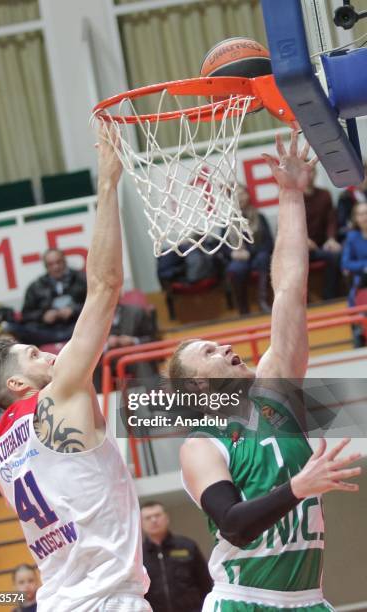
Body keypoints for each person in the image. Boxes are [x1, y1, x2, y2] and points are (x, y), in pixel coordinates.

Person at [169, 131, 362, 611]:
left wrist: (291, 194)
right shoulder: (202, 444)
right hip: (243, 600)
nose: (227, 346)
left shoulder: (276, 389)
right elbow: (233, 523)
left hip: (309, 601)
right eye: (210, 351)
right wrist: (298, 487)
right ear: (197, 384)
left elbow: (291, 288)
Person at [0, 125, 151, 612]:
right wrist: (108, 184)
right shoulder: (59, 395)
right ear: (18, 385)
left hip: (59, 600)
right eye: (34, 355)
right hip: (107, 601)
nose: (51, 354)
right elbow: (104, 286)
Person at [141, 500, 212, 612]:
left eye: (157, 515)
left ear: (166, 518)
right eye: (148, 517)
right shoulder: (139, 555)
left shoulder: (187, 546)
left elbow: (205, 582)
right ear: (141, 523)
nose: (154, 520)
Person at [9, 249, 87, 346]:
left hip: (77, 327)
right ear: (46, 266)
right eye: (51, 264)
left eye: (59, 262)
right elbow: (26, 315)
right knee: (12, 328)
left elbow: (95, 304)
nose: (56, 267)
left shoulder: (82, 279)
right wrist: (43, 316)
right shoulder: (35, 287)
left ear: (65, 261)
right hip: (47, 331)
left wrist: (74, 310)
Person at [224, 185, 273, 314]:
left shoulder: (259, 217)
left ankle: (264, 302)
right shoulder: (228, 222)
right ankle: (243, 309)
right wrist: (232, 253)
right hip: (239, 258)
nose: (239, 198)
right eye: (235, 195)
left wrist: (249, 253)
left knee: (264, 258)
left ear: (248, 195)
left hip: (257, 256)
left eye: (242, 193)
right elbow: (223, 247)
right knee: (235, 269)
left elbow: (269, 243)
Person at [304, 166, 342, 300]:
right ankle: (304, 299)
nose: (308, 175)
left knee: (336, 255)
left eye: (311, 171)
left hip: (321, 244)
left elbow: (331, 220)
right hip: (301, 248)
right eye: (304, 172)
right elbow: (287, 225)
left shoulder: (324, 194)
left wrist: (331, 238)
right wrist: (304, 240)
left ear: (315, 173)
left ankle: (330, 297)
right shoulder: (293, 197)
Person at [341, 201, 367, 347]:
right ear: (356, 218)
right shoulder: (352, 238)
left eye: (366, 213)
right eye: (361, 214)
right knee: (352, 297)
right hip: (362, 281)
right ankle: (358, 332)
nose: (365, 217)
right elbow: (345, 263)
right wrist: (364, 266)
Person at [337, 162, 367, 242]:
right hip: (353, 234)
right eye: (364, 176)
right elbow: (342, 223)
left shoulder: (365, 193)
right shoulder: (345, 197)